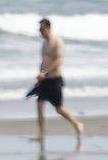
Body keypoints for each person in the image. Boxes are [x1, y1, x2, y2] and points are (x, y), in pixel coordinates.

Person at [27, 18, 84, 148]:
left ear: (47, 27)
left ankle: (77, 124)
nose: (40, 32)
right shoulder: (44, 43)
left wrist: (45, 73)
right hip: (44, 80)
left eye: (41, 29)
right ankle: (41, 134)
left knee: (58, 109)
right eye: (39, 29)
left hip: (55, 79)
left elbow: (58, 61)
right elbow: (43, 61)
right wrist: (40, 76)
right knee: (40, 104)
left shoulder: (57, 42)